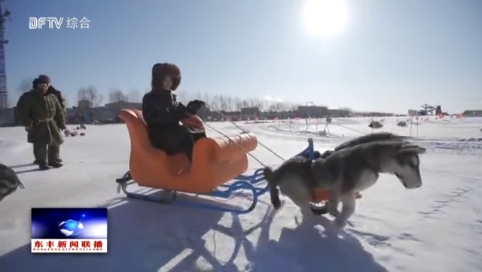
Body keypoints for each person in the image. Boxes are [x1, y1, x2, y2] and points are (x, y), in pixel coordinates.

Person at [142, 63, 206, 162]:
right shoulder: (149, 98)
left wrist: (191, 108)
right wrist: (175, 116)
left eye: (171, 80)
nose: (169, 83)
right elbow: (151, 120)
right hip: (160, 137)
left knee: (198, 134)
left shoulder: (174, 97)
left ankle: (207, 162)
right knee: (185, 134)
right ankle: (198, 168)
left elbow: (182, 111)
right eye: (165, 80)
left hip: (175, 134)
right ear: (158, 81)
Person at [16, 76, 66, 170]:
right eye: (41, 86)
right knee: (40, 144)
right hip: (37, 124)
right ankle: (42, 162)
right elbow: (21, 111)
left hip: (52, 123)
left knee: (55, 142)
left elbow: (59, 111)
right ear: (36, 86)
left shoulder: (52, 97)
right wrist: (28, 122)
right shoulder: (28, 97)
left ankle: (53, 160)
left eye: (45, 86)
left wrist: (61, 123)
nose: (43, 88)